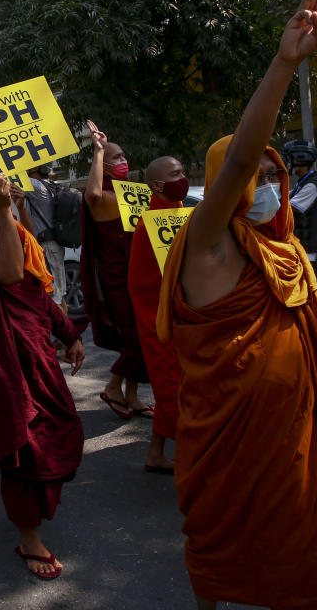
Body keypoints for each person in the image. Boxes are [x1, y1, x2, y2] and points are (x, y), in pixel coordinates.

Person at [156, 0, 317, 608]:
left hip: (297, 448)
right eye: (260, 177)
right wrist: (284, 66)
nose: (271, 188)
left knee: (314, 565)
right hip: (228, 445)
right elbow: (237, 159)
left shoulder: (282, 252)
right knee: (227, 556)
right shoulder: (207, 246)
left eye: (278, 176)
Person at [0, 175, 85, 580]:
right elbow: (8, 275)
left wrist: (68, 334)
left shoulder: (17, 238)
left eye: (6, 199)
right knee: (23, 449)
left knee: (57, 433)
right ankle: (28, 537)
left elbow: (36, 292)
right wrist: (6, 210)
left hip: (38, 359)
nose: (0, 205)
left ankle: (36, 513)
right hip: (5, 367)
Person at [81, 121, 152, 419]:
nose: (123, 162)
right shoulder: (102, 197)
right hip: (116, 278)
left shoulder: (132, 193)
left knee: (146, 335)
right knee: (137, 338)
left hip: (142, 274)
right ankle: (113, 386)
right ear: (103, 166)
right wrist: (98, 151)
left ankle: (132, 395)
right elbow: (93, 195)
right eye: (116, 159)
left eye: (124, 156)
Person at [127, 156, 188, 474]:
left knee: (177, 387)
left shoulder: (180, 213)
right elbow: (144, 283)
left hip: (183, 315)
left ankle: (155, 452)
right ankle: (196, 457)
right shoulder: (150, 222)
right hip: (160, 318)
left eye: (183, 172)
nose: (183, 178)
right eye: (175, 174)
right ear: (156, 185)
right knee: (172, 387)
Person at [24, 164, 68, 315]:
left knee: (55, 298)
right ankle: (66, 335)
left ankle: (66, 335)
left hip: (48, 246)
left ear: (34, 169)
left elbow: (11, 179)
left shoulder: (35, 186)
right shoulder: (50, 185)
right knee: (59, 294)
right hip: (53, 245)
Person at [282, 139, 317, 255]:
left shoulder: (311, 186)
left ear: (299, 159)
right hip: (305, 249)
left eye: (289, 159)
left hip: (308, 252)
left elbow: (286, 209)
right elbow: (284, 196)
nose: (288, 163)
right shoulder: (305, 182)